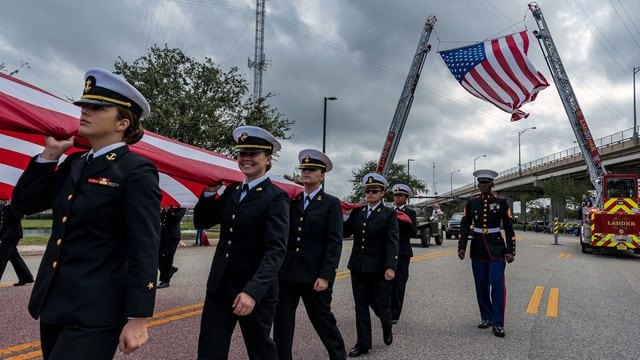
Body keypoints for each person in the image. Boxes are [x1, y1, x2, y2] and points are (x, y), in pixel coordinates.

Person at [11, 68, 161, 359]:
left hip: (97, 309)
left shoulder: (136, 171)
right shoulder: (74, 163)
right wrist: (49, 156)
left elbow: (144, 246)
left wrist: (139, 315)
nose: (85, 112)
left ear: (123, 123)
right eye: (84, 106)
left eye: (97, 108)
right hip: (55, 301)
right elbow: (23, 204)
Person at [194, 125, 289, 360]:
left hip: (254, 291)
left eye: (253, 154)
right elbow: (202, 222)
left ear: (267, 159)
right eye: (242, 154)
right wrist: (209, 192)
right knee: (209, 352)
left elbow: (275, 251)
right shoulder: (232, 191)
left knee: (260, 352)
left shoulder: (276, 198)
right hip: (221, 287)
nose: (246, 159)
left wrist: (252, 292)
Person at [273, 149, 346, 360]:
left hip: (315, 276)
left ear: (322, 175)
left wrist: (325, 275)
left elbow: (334, 243)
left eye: (311, 169)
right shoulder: (291, 201)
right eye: (303, 169)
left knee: (322, 320)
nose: (306, 172)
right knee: (282, 323)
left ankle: (338, 356)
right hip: (287, 274)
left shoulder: (331, 203)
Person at [343, 172, 399, 357]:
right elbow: (344, 232)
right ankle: (363, 344)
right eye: (367, 190)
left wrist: (391, 266)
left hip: (378, 268)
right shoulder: (358, 212)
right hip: (358, 267)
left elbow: (392, 241)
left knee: (381, 305)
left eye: (374, 190)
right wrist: (338, 214)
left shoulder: (389, 214)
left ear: (382, 193)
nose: (370, 193)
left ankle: (386, 324)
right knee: (360, 306)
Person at [458, 169, 515, 338]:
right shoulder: (471, 203)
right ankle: (486, 317)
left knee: (497, 284)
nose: (483, 186)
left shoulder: (501, 202)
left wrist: (511, 250)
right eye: (481, 183)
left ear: (492, 184)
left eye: (486, 183)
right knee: (481, 285)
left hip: (497, 248)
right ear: (478, 184)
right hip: (477, 248)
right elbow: (464, 224)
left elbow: (509, 228)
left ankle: (498, 323)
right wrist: (461, 246)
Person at [389, 184, 417, 324]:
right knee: (387, 282)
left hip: (403, 251)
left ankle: (395, 314)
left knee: (399, 283)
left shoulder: (410, 213)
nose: (397, 198)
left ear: (405, 198)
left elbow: (413, 232)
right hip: (388, 251)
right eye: (395, 195)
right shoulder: (388, 211)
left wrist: (405, 220)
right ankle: (386, 309)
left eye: (400, 196)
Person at [0, 201, 34, 286]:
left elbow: (18, 216)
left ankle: (26, 278)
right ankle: (26, 277)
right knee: (14, 257)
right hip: (6, 234)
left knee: (2, 256)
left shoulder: (16, 205)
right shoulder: (3, 205)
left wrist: (12, 205)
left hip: (13, 234)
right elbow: (3, 222)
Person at [158, 206, 187, 288]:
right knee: (157, 257)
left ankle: (165, 281)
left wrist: (169, 210)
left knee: (168, 258)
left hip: (173, 236)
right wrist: (162, 211)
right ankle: (170, 269)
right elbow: (161, 219)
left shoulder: (181, 207)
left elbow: (176, 218)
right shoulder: (167, 205)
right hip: (162, 235)